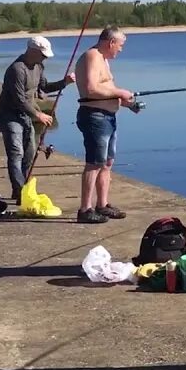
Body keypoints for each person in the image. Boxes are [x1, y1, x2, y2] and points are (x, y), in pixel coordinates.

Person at [0, 36, 75, 202]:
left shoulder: (39, 66)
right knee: (16, 153)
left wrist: (65, 82)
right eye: (42, 54)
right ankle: (20, 191)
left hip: (25, 115)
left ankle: (22, 189)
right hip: (9, 115)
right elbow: (18, 99)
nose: (45, 58)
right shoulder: (17, 69)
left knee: (30, 153)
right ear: (32, 51)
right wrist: (38, 114)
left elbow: (44, 87)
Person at [73, 26, 140, 224]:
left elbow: (107, 90)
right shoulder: (92, 56)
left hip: (108, 116)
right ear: (111, 42)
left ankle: (102, 204)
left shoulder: (103, 59)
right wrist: (120, 93)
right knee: (94, 163)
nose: (120, 49)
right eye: (120, 45)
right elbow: (91, 89)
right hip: (95, 117)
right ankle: (85, 209)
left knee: (107, 162)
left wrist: (127, 103)